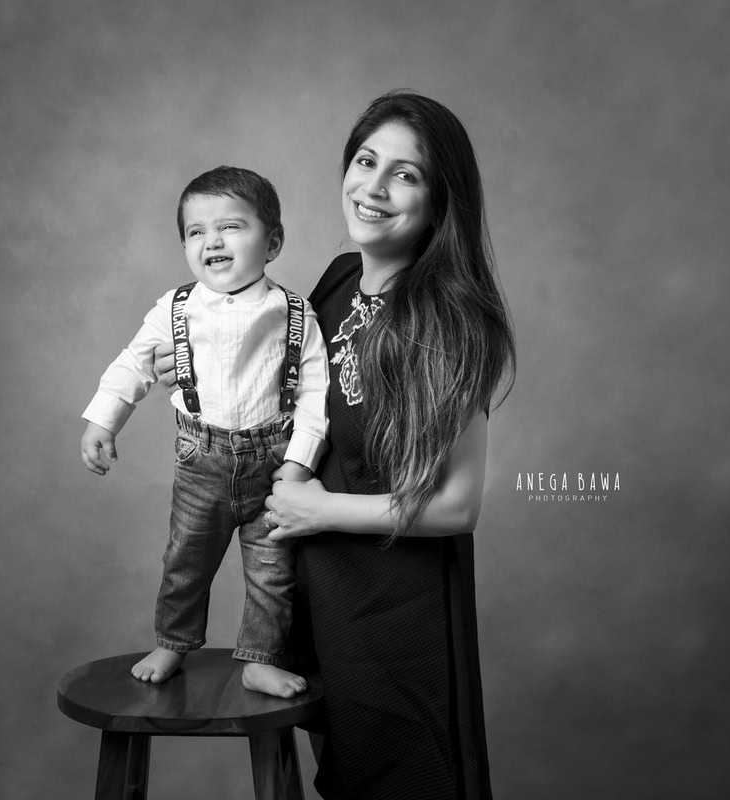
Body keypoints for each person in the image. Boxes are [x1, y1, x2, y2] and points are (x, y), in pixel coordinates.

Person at [158, 92, 514, 798]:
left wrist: (318, 511)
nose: (373, 188)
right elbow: (292, 397)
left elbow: (457, 506)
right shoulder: (341, 279)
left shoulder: (449, 318)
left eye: (405, 174)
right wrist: (203, 364)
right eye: (365, 161)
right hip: (321, 606)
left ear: (440, 201)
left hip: (395, 620)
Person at [79, 166, 329, 699]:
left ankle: (260, 658)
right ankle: (174, 641)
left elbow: (314, 392)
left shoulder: (294, 313)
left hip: (274, 462)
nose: (212, 241)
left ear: (273, 243)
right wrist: (103, 420)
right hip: (201, 458)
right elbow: (133, 365)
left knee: (272, 573)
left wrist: (299, 462)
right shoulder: (174, 308)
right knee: (184, 562)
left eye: (231, 226)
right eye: (196, 231)